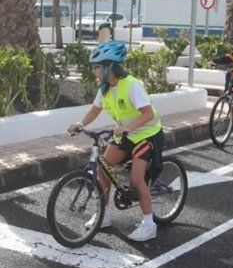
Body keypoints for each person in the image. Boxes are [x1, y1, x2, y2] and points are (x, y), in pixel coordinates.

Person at [67, 42, 164, 242]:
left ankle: (149, 224)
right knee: (102, 168)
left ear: (109, 67)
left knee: (137, 180)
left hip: (147, 134)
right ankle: (103, 215)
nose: (93, 70)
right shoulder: (104, 89)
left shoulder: (132, 85)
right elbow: (95, 110)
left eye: (96, 66)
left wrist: (129, 127)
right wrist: (80, 123)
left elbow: (148, 114)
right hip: (126, 135)